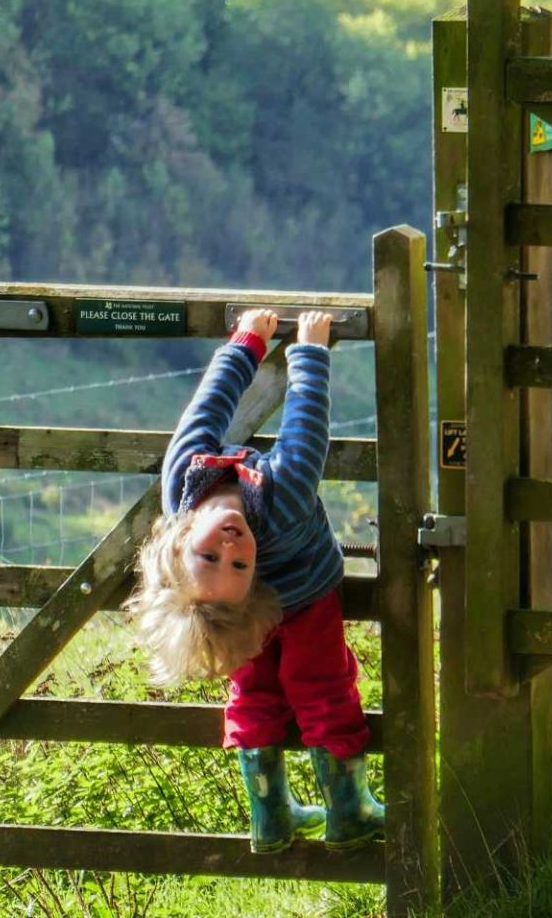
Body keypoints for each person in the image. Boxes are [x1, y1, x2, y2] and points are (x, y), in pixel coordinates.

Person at [125, 308, 385, 853]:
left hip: (257, 605)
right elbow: (306, 428)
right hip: (310, 597)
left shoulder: (182, 482)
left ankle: (273, 815)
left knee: (259, 691)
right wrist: (309, 351)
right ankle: (347, 808)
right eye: (238, 565)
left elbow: (208, 407)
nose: (231, 548)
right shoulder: (284, 494)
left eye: (210, 556)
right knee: (319, 688)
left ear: (180, 535)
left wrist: (245, 343)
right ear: (251, 586)